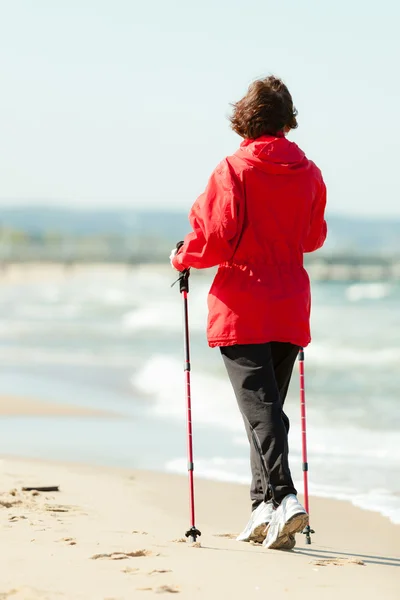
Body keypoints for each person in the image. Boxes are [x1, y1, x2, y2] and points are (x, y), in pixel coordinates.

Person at [170, 75, 327, 550]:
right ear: (287, 119)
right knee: (266, 412)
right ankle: (263, 507)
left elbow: (212, 240)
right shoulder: (309, 171)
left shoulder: (233, 170)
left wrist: (181, 255)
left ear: (245, 117)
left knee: (260, 413)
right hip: (288, 303)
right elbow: (312, 239)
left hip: (243, 305)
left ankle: (284, 496)